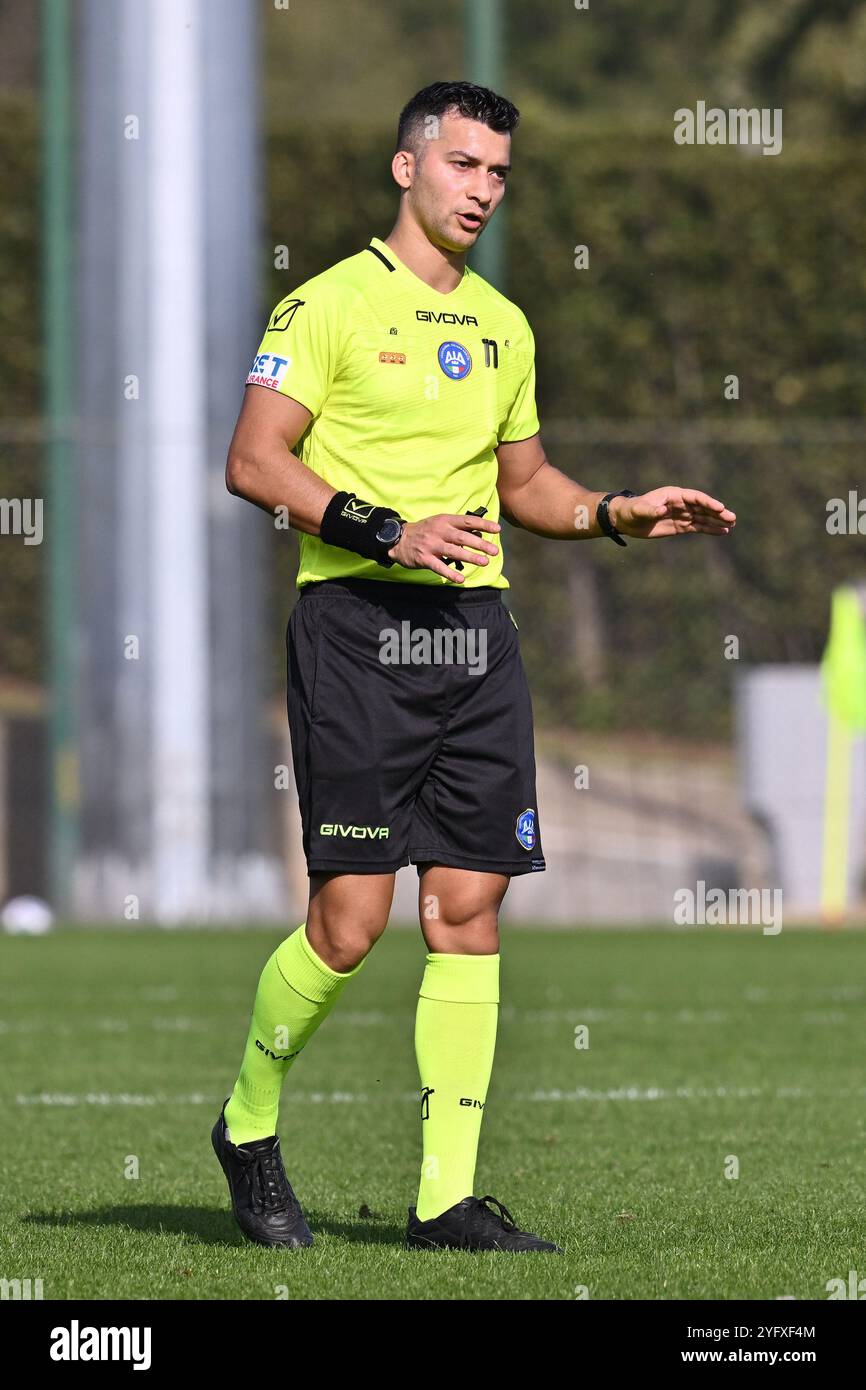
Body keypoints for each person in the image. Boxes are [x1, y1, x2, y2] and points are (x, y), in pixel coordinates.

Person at [212, 80, 736, 1254]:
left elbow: (524, 485)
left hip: (473, 639)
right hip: (354, 629)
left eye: (498, 173)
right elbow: (255, 459)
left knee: (466, 909)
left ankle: (442, 1199)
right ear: (407, 169)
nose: (482, 191)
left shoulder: (505, 323)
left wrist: (612, 511)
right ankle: (248, 1125)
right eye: (462, 167)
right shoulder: (326, 305)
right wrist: (384, 528)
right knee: (348, 926)